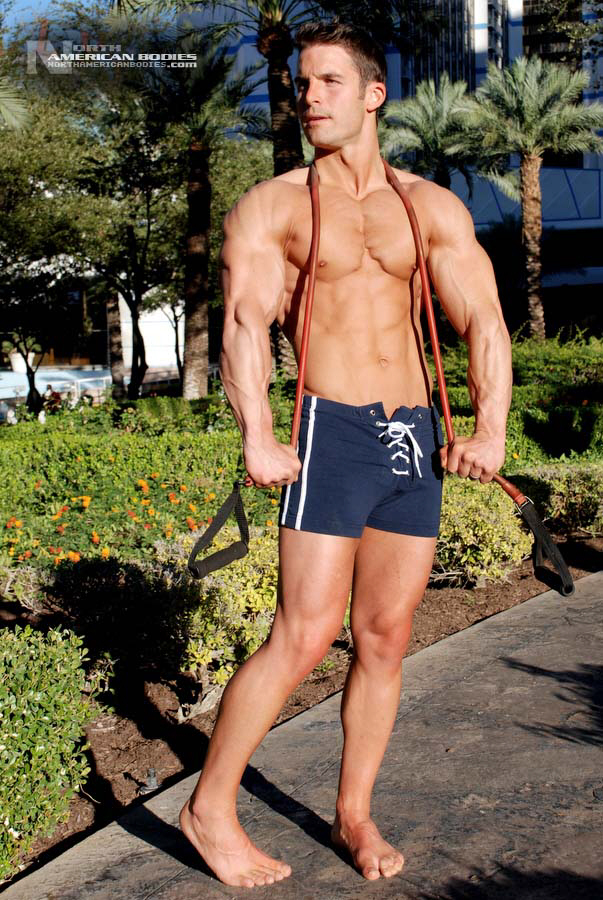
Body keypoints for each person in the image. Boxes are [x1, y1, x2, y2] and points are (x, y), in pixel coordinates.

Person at [180, 21, 512, 889]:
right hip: (329, 433)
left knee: (385, 638)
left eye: (328, 81)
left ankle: (353, 813)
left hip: (411, 437)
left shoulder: (428, 207)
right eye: (301, 82)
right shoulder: (275, 205)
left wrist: (489, 429)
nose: (309, 96)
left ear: (373, 94)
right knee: (302, 633)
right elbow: (244, 324)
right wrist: (257, 435)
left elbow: (483, 320)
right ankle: (208, 809)